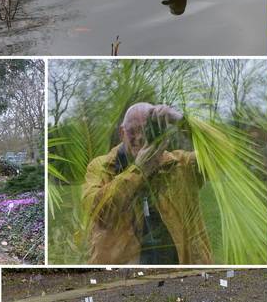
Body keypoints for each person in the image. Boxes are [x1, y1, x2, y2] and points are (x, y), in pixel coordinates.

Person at [82, 102, 213, 264]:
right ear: (122, 133)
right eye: (132, 131)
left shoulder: (181, 165)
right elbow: (98, 212)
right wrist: (139, 170)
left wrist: (180, 120)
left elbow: (224, 153)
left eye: (147, 130)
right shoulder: (101, 168)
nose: (140, 137)